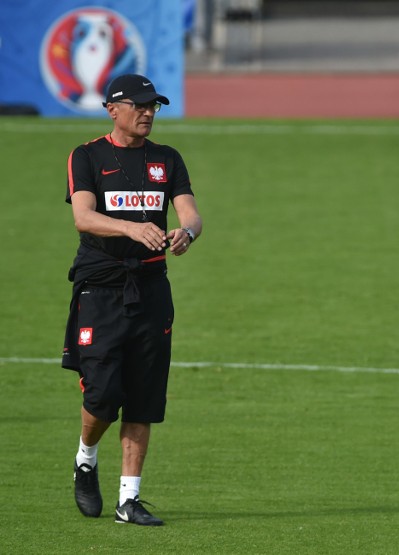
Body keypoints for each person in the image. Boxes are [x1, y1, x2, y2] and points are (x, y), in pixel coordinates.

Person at [62, 74, 202, 526]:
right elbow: (83, 218)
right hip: (100, 288)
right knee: (103, 394)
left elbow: (191, 214)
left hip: (151, 288)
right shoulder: (87, 156)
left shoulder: (167, 159)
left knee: (143, 396)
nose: (147, 113)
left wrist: (186, 234)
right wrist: (131, 228)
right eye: (139, 105)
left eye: (153, 106)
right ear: (112, 109)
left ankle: (129, 501)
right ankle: (86, 458)